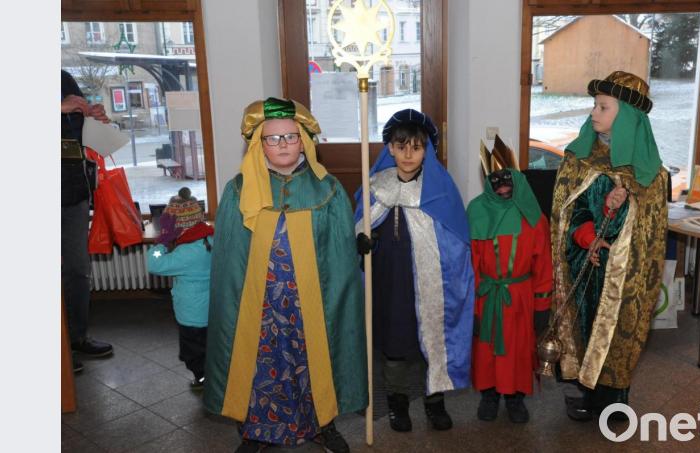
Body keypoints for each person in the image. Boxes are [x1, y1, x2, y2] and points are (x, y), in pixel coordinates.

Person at [204, 97, 367, 453]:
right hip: (258, 307)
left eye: (290, 137)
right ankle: (255, 431)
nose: (282, 145)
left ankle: (324, 424)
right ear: (258, 143)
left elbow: (338, 257)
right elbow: (229, 261)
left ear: (304, 142)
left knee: (317, 362)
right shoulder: (238, 191)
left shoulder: (330, 191)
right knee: (262, 368)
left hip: (313, 302)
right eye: (273, 138)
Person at [550, 71, 668, 421]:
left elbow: (650, 233)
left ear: (628, 117)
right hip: (588, 264)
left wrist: (626, 201)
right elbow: (569, 210)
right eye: (594, 106)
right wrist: (588, 234)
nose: (593, 113)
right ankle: (587, 395)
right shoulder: (580, 159)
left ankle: (615, 401)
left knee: (618, 333)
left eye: (603, 107)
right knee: (587, 327)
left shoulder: (651, 173)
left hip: (624, 273)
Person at [355, 109, 474, 432]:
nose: (408, 154)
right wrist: (363, 240)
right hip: (390, 283)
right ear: (389, 148)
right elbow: (358, 225)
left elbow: (456, 239)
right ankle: (397, 403)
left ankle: (435, 402)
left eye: (416, 147)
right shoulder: (375, 186)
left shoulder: (440, 191)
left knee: (431, 341)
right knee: (395, 345)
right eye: (401, 145)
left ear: (427, 151)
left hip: (431, 282)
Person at [467, 137, 552, 423]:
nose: (501, 184)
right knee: (487, 350)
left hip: (520, 297)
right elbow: (471, 265)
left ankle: (515, 398)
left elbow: (543, 266)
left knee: (518, 349)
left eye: (507, 178)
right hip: (488, 295)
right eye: (495, 179)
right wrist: (473, 308)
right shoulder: (476, 212)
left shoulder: (534, 218)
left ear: (516, 178)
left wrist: (542, 306)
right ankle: (489, 395)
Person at [61, 69, 113, 372]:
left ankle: (76, 338)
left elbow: (76, 126)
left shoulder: (63, 77)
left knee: (78, 271)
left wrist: (93, 117)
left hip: (73, 192)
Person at [146, 188, 214, 390]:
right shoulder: (210, 240)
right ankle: (214, 376)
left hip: (191, 313)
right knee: (210, 346)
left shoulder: (185, 253)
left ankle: (202, 379)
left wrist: (162, 241)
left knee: (193, 351)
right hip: (212, 309)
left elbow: (154, 263)